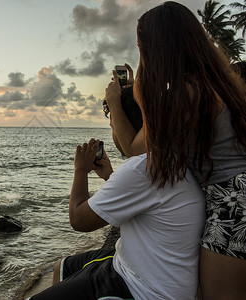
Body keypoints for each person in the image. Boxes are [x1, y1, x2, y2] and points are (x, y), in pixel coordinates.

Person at [105, 2, 246, 299]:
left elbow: (134, 149)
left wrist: (118, 103)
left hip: (233, 204)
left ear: (156, 48)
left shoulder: (186, 94)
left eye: (143, 47)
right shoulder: (211, 82)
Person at [28, 87, 205, 300]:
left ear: (125, 126)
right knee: (63, 267)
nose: (112, 133)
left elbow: (78, 220)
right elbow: (146, 200)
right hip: (146, 271)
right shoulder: (171, 159)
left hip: (142, 289)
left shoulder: (142, 168)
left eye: (113, 125)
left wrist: (80, 170)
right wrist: (109, 175)